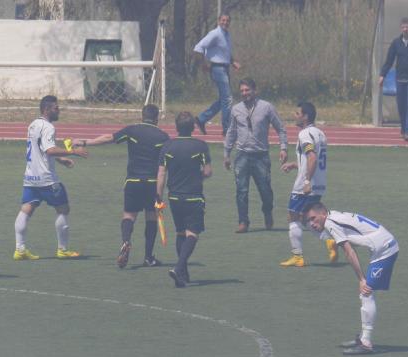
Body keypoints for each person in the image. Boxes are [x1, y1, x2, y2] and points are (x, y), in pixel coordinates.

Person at [75, 104, 169, 268]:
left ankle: (126, 241)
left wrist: (85, 142)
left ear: (142, 116)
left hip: (133, 181)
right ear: (157, 119)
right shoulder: (163, 136)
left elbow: (108, 138)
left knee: (129, 216)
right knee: (151, 217)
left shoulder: (132, 130)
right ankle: (148, 257)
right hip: (152, 183)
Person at [304, 202, 399, 355]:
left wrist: (361, 279)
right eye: (309, 220)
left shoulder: (330, 223)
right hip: (381, 245)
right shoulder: (331, 217)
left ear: (323, 213)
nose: (311, 224)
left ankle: (366, 343)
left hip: (385, 249)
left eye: (313, 218)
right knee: (366, 292)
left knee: (366, 292)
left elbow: (349, 252)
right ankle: (363, 338)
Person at [13, 95, 88, 261]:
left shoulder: (33, 124)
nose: (58, 110)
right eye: (56, 108)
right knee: (63, 208)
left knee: (26, 209)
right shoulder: (48, 127)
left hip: (30, 177)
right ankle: (63, 250)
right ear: (47, 109)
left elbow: (40, 149)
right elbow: (49, 150)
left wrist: (61, 160)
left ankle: (20, 249)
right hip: (46, 179)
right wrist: (73, 152)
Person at [223, 78, 288, 233]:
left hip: (261, 156)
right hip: (242, 155)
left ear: (254, 90)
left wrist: (283, 148)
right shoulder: (236, 109)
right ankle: (243, 222)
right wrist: (227, 153)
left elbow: (280, 128)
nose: (244, 93)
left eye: (247, 90)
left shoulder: (266, 107)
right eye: (242, 91)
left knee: (266, 191)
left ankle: (267, 212)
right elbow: (231, 132)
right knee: (241, 191)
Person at [156, 112, 212, 288]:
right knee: (192, 234)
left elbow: (161, 173)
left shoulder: (167, 146)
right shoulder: (200, 146)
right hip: (193, 196)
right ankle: (179, 268)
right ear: (193, 127)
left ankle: (183, 274)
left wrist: (158, 197)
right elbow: (208, 171)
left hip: (174, 196)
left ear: (176, 127)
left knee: (181, 233)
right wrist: (198, 177)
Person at [278, 102, 336, 267]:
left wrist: (306, 181)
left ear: (306, 117)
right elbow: (311, 160)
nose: (295, 116)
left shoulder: (305, 134)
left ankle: (298, 257)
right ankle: (328, 240)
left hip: (306, 186)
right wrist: (294, 164)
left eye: (298, 113)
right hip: (320, 183)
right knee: (305, 217)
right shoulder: (320, 133)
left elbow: (312, 158)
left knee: (293, 217)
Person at [193, 13, 241, 136]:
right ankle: (227, 129)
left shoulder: (226, 35)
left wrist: (232, 62)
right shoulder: (215, 34)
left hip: (225, 68)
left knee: (224, 100)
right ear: (219, 21)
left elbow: (225, 52)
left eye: (227, 20)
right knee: (228, 99)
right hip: (217, 69)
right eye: (223, 20)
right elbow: (199, 47)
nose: (225, 22)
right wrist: (203, 64)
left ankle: (201, 119)